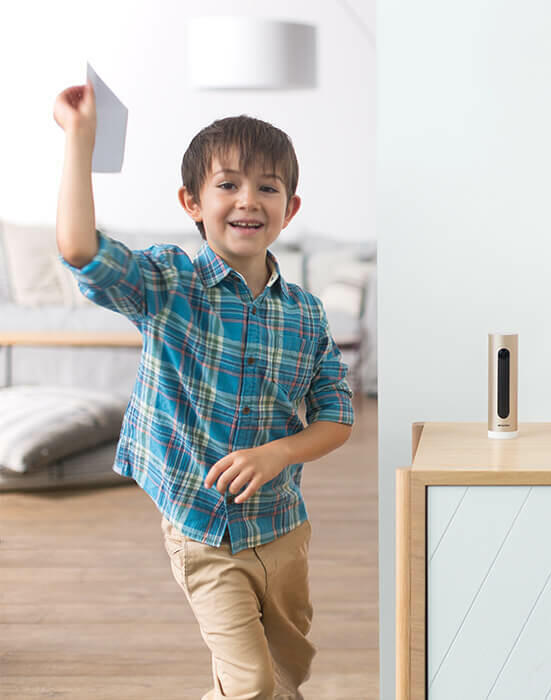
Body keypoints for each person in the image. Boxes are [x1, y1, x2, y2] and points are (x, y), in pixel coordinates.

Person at [53, 79, 354, 700]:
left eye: (267, 187)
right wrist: (79, 141)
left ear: (290, 209)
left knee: (284, 674)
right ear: (192, 201)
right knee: (248, 684)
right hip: (202, 530)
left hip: (283, 529)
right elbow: (81, 250)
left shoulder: (307, 315)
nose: (249, 200)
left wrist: (280, 454)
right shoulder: (168, 284)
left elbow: (337, 417)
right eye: (229, 184)